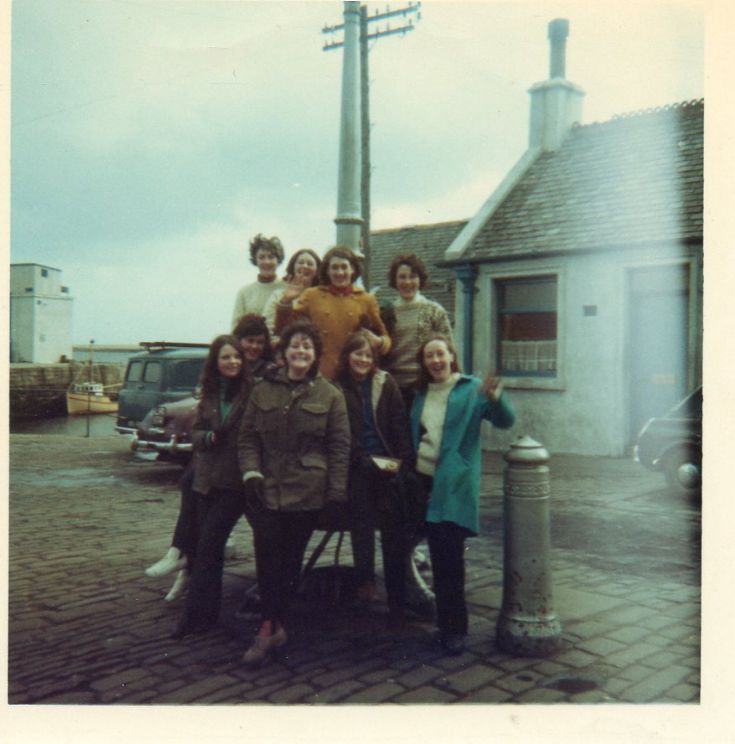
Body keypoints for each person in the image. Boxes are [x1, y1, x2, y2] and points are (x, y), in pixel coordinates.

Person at [238, 319, 350, 665]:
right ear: (284, 352)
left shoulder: (330, 394)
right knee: (267, 558)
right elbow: (247, 437)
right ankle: (270, 627)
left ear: (315, 355)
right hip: (266, 489)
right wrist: (251, 473)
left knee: (289, 564)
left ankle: (272, 626)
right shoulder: (263, 390)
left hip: (307, 492)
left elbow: (339, 447)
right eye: (294, 346)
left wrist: (335, 494)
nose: (300, 351)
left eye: (307, 346)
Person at [144, 317, 275, 601]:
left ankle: (181, 557)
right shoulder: (222, 377)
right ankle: (180, 556)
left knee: (214, 520)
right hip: (220, 456)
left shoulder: (265, 372)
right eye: (248, 341)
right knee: (192, 482)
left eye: (258, 342)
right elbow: (203, 420)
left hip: (243, 461)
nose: (252, 346)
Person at [411, 334, 515, 655]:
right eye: (429, 356)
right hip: (423, 482)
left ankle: (455, 630)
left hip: (453, 485)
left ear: (451, 356)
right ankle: (445, 624)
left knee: (449, 558)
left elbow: (505, 421)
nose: (436, 361)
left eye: (440, 354)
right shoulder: (420, 393)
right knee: (435, 554)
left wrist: (497, 398)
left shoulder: (470, 389)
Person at [168, 334, 251, 639]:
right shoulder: (210, 393)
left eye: (236, 357)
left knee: (208, 546)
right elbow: (197, 430)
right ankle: (207, 614)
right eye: (226, 357)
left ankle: (192, 617)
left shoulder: (251, 392)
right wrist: (205, 438)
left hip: (234, 482)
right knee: (206, 549)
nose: (232, 362)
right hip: (206, 480)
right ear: (216, 362)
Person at [335, 331, 416, 626]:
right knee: (362, 518)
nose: (363, 360)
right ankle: (365, 581)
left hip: (388, 463)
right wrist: (363, 460)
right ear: (348, 356)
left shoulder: (386, 383)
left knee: (395, 527)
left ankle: (397, 599)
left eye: (368, 355)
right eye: (357, 354)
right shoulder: (338, 388)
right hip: (358, 465)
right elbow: (343, 434)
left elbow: (399, 423)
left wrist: (403, 461)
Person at [275, 245, 391, 380]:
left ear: (352, 269)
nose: (339, 272)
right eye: (334, 267)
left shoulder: (366, 299)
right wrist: (286, 300)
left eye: (344, 267)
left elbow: (386, 338)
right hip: (318, 374)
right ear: (327, 271)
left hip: (351, 376)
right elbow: (283, 329)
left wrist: (380, 342)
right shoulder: (312, 295)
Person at [381, 253, 453, 410]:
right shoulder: (385, 312)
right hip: (394, 389)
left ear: (420, 280)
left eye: (413, 277)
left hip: (426, 387)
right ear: (395, 280)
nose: (407, 282)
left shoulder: (435, 310)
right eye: (402, 277)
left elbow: (449, 350)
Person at [262, 248, 321, 339]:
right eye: (300, 263)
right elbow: (267, 327)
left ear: (317, 271)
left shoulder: (321, 296)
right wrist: (286, 300)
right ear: (293, 267)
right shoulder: (278, 295)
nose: (305, 266)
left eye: (310, 264)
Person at [231, 234, 286, 329]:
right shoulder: (244, 292)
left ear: (278, 260)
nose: (267, 262)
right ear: (255, 260)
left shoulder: (287, 289)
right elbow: (235, 329)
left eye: (271, 257)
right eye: (262, 257)